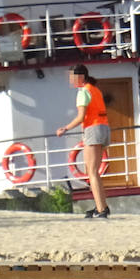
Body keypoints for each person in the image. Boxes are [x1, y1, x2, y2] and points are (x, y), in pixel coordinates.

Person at [56, 64, 110, 219]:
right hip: (104, 128)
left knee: (92, 172)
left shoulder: (83, 92)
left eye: (72, 77)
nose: (70, 80)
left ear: (80, 77)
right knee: (94, 172)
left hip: (93, 130)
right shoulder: (95, 89)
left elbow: (81, 117)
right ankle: (102, 206)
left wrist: (64, 128)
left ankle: (101, 210)